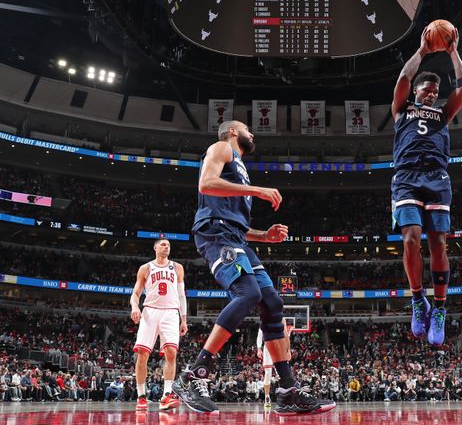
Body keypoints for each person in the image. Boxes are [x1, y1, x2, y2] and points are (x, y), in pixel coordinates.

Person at [173, 120, 334, 416]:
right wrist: (258, 191)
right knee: (247, 294)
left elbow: (237, 223)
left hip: (234, 236)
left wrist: (263, 236)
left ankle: (286, 391)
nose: (253, 133)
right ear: (233, 131)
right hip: (215, 232)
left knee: (272, 301)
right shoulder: (221, 148)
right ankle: (193, 375)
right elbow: (205, 184)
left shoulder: (241, 171)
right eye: (248, 128)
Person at [391, 25, 462, 346]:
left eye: (435, 92)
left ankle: (439, 307)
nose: (432, 93)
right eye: (427, 89)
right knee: (411, 240)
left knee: (438, 243)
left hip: (437, 177)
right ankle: (416, 299)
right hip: (407, 176)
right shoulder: (401, 110)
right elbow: (401, 80)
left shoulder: (442, 114)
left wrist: (452, 52)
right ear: (417, 91)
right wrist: (423, 51)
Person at [130, 238, 187, 412]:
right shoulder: (146, 268)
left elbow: (181, 295)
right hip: (150, 311)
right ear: (155, 247)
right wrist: (134, 307)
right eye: (163, 244)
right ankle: (141, 396)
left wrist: (183, 319)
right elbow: (136, 293)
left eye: (169, 245)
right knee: (142, 354)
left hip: (171, 312)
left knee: (171, 353)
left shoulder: (177, 267)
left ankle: (166, 395)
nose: (166, 247)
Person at [256, 320, 292, 409]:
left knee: (282, 374)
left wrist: (288, 350)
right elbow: (260, 335)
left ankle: (283, 398)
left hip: (280, 346)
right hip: (268, 346)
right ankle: (267, 397)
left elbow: (286, 336)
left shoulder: (281, 319)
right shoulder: (264, 321)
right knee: (268, 373)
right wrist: (259, 348)